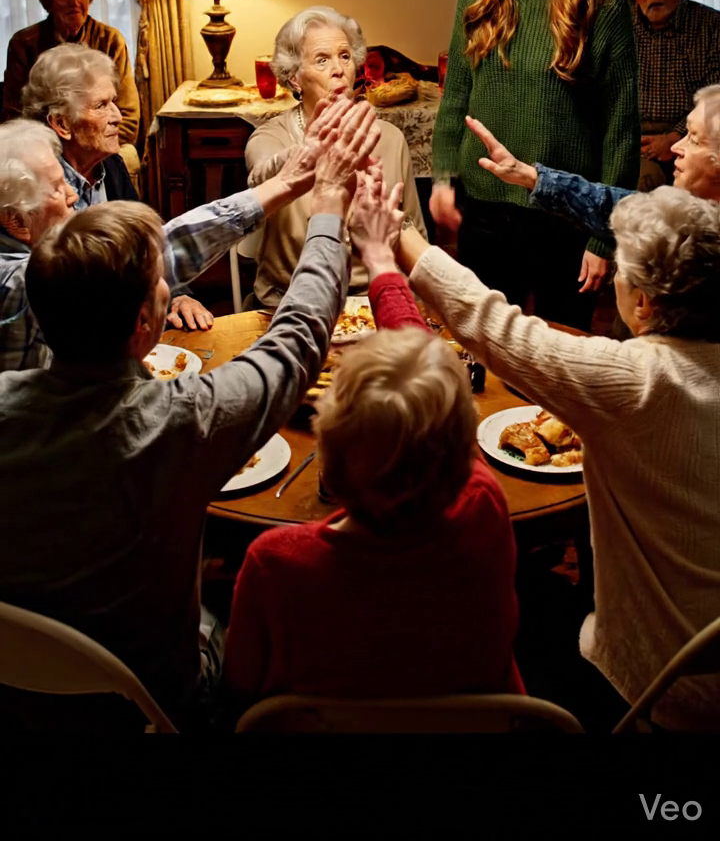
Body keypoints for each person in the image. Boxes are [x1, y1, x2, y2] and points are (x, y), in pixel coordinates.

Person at [0, 98, 380, 729]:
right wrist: (328, 219)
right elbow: (297, 339)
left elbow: (166, 252)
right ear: (147, 325)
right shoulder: (179, 419)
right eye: (160, 285)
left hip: (19, 683)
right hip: (150, 700)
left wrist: (290, 185)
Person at [357, 178, 720, 731]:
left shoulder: (637, 379)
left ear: (642, 303)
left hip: (660, 690)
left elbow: (496, 325)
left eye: (620, 271)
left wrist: (393, 239)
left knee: (485, 604)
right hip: (705, 655)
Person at [223, 171, 523, 713]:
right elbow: (429, 387)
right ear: (460, 446)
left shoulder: (275, 563)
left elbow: (241, 685)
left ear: (329, 456)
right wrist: (383, 263)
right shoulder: (483, 505)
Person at [430, 0, 640, 331]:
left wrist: (604, 237)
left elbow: (621, 133)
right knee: (483, 349)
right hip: (484, 207)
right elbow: (455, 98)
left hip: (565, 216)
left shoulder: (602, 5)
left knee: (562, 361)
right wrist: (444, 178)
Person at [0, 98, 360, 372]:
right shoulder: (18, 282)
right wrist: (301, 194)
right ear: (15, 220)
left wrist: (283, 184)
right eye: (56, 189)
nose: (73, 194)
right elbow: (158, 251)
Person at [244, 5, 426, 308]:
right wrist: (313, 149)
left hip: (377, 299)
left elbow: (415, 232)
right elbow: (261, 178)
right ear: (294, 79)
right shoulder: (269, 138)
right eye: (321, 60)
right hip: (293, 302)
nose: (338, 69)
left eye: (344, 56)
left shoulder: (390, 139)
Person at [21, 44, 209, 331]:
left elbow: (146, 245)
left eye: (114, 101)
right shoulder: (38, 189)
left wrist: (180, 295)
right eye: (101, 106)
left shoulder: (111, 166)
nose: (118, 116)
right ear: (61, 124)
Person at [466, 81, 720, 245]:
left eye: (695, 140)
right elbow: (609, 204)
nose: (677, 147)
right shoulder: (689, 214)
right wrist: (529, 176)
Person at [2, 0, 140, 150]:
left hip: (99, 148)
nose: (75, 2)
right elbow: (14, 116)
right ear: (48, 2)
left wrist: (94, 150)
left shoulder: (110, 40)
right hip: (45, 150)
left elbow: (128, 115)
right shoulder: (23, 44)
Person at [625, 0, 720, 190]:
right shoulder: (620, 25)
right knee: (639, 180)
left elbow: (715, 97)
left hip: (695, 134)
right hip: (632, 136)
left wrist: (676, 137)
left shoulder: (711, 26)